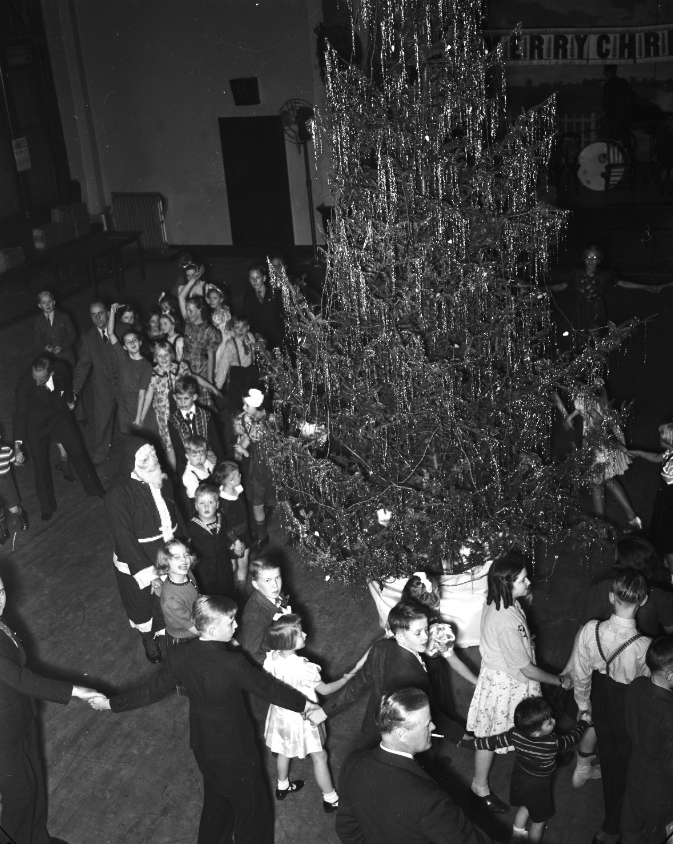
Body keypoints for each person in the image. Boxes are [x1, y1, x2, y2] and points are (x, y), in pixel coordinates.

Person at [88, 595, 322, 844]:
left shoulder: (180, 656)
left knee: (218, 803)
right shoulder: (234, 663)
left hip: (203, 744)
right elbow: (270, 689)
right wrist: (305, 705)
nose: (236, 626)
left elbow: (150, 692)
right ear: (212, 628)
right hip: (236, 749)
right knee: (254, 810)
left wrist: (110, 703)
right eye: (230, 622)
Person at [559, 536, 673, 788]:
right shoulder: (659, 598)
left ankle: (582, 767)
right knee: (628, 735)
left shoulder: (604, 589)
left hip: (600, 678)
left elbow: (583, 632)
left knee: (595, 720)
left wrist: (573, 675)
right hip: (632, 684)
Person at [466, 551, 572, 815]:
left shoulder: (502, 600)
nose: (528, 583)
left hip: (512, 677)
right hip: (507, 684)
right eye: (523, 580)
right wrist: (560, 680)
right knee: (491, 734)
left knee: (528, 721)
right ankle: (478, 787)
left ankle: (543, 752)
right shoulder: (505, 623)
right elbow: (527, 669)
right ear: (506, 584)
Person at [0, 574, 100, 844]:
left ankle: (37, 837)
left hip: (19, 717)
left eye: (0, 591)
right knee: (18, 795)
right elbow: (18, 677)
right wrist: (76, 691)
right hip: (3, 733)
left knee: (33, 783)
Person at [336, 688, 491, 844]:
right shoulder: (430, 801)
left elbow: (347, 831)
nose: (433, 727)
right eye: (427, 724)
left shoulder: (353, 762)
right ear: (402, 734)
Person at [331, 600, 464, 770]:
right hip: (407, 733)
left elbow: (358, 684)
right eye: (418, 633)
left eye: (426, 630)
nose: (426, 637)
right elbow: (433, 715)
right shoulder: (410, 676)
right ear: (400, 636)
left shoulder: (382, 647)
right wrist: (461, 736)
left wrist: (325, 711)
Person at [572, 569, 652, 844]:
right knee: (629, 764)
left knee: (609, 756)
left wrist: (584, 705)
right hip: (626, 704)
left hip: (599, 698)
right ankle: (613, 826)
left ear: (610, 597)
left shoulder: (591, 629)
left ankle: (612, 819)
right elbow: (645, 688)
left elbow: (580, 674)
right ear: (643, 601)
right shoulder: (644, 646)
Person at [263, 613, 356, 812]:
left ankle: (282, 786)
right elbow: (326, 689)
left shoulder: (272, 657)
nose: (305, 634)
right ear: (288, 642)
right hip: (303, 717)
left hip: (281, 715)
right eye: (298, 634)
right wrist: (346, 679)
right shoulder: (303, 668)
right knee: (320, 756)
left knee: (284, 750)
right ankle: (331, 799)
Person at [104, 438, 181, 664]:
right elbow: (124, 538)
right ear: (131, 463)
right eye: (144, 459)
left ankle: (170, 636)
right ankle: (148, 639)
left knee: (168, 602)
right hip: (138, 559)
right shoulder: (117, 494)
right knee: (142, 605)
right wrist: (150, 576)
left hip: (167, 552)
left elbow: (175, 513)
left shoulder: (162, 479)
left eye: (154, 456)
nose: (152, 462)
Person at [472, 696, 590, 843]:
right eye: (549, 722)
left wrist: (469, 742)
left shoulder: (515, 733)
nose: (554, 721)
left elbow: (493, 742)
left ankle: (517, 835)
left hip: (520, 778)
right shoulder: (554, 742)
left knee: (525, 805)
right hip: (538, 785)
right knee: (540, 819)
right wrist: (584, 723)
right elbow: (573, 738)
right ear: (536, 733)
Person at [13, 357, 105, 520]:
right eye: (34, 377)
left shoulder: (61, 368)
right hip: (36, 425)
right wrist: (18, 444)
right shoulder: (25, 383)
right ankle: (47, 506)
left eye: (40, 379)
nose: (36, 381)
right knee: (40, 465)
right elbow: (20, 413)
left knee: (77, 449)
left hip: (59, 416)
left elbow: (67, 382)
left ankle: (95, 489)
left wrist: (69, 399)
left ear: (51, 373)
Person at [554, 379, 640, 532]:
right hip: (601, 440)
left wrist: (611, 442)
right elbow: (587, 407)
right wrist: (571, 416)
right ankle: (633, 519)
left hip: (599, 442)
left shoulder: (582, 397)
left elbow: (599, 420)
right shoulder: (585, 392)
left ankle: (601, 528)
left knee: (596, 482)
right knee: (608, 479)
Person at [620, 636, 673, 844]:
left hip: (636, 775)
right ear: (670, 675)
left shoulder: (637, 685)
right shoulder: (669, 717)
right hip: (661, 795)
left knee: (635, 831)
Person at [72, 300, 119, 465]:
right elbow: (83, 365)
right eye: (93, 315)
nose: (98, 318)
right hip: (102, 387)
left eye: (100, 313)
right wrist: (74, 390)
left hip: (123, 384)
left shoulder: (119, 329)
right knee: (102, 422)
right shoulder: (87, 337)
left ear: (107, 313)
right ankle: (99, 455)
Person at [628, 420, 673, 576]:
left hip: (670, 504)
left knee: (668, 539)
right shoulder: (669, 453)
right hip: (664, 501)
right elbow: (655, 457)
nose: (659, 440)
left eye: (661, 438)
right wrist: (638, 452)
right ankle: (668, 560)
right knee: (663, 534)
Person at [234, 388, 277, 548]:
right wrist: (240, 449)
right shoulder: (249, 419)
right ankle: (262, 536)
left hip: (265, 468)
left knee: (263, 501)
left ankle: (295, 526)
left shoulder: (269, 422)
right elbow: (247, 438)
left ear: (257, 407)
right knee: (258, 503)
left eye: (246, 405)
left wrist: (244, 452)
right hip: (257, 467)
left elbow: (269, 452)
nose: (244, 408)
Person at [107, 303, 157, 437]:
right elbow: (110, 333)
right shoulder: (122, 358)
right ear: (124, 347)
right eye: (128, 342)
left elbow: (143, 394)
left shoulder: (146, 365)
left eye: (135, 340)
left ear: (140, 343)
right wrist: (112, 311)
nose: (132, 343)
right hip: (125, 408)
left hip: (140, 410)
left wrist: (139, 418)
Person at [238, 549, 291, 667]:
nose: (275, 585)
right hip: (272, 657)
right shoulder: (254, 616)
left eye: (277, 577)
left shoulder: (272, 592)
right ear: (256, 584)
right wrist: (274, 669)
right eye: (268, 580)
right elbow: (251, 652)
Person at [188, 482, 237, 598]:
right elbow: (188, 547)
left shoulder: (221, 519)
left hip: (223, 566)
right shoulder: (191, 526)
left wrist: (233, 555)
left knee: (226, 594)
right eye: (202, 503)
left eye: (210, 502)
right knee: (209, 598)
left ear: (217, 504)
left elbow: (226, 536)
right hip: (204, 571)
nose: (206, 507)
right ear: (196, 506)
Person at [138, 341, 180, 471]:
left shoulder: (180, 368)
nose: (163, 359)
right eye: (159, 356)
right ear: (155, 357)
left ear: (171, 355)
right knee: (169, 446)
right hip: (164, 417)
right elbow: (149, 396)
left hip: (181, 412)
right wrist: (141, 417)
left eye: (166, 355)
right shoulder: (153, 374)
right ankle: (174, 475)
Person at [152, 539, 199, 649]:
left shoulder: (188, 574)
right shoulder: (171, 600)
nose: (184, 560)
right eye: (176, 557)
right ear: (165, 565)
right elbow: (191, 626)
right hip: (185, 637)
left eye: (186, 555)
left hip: (196, 620)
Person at [214, 460, 251, 592]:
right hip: (230, 538)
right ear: (230, 481)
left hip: (243, 534)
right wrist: (235, 541)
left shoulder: (238, 490)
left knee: (243, 563)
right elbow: (224, 525)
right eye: (238, 475)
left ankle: (240, 589)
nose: (241, 475)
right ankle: (227, 590)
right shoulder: (223, 503)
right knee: (231, 566)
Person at [242, 263, 286, 352]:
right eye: (252, 278)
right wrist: (255, 334)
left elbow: (283, 313)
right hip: (260, 336)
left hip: (277, 334)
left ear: (264, 278)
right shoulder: (248, 296)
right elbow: (248, 317)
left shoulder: (275, 293)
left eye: (257, 277)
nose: (255, 281)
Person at [32, 291, 77, 369]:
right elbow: (37, 341)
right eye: (44, 303)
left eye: (49, 301)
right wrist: (45, 348)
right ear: (39, 305)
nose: (47, 305)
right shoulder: (37, 321)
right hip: (49, 359)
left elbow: (72, 335)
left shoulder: (63, 316)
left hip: (66, 356)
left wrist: (62, 346)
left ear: (54, 302)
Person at [0, 436, 28, 545]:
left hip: (6, 484)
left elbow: (16, 462)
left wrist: (20, 459)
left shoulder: (7, 450)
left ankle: (22, 516)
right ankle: (4, 531)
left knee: (13, 509)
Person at [181, 435, 215, 501]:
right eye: (194, 456)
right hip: (199, 501)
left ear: (206, 453)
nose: (199, 459)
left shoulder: (208, 463)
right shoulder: (188, 476)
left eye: (202, 455)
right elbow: (199, 497)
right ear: (187, 456)